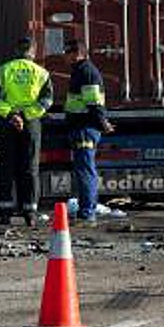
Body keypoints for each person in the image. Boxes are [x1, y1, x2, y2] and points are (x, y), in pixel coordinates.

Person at [0, 37, 53, 226]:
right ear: (33, 52)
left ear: (16, 50)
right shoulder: (41, 73)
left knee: (6, 166)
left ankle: (5, 213)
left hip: (8, 122)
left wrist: (12, 116)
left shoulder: (2, 70)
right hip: (31, 123)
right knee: (30, 167)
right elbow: (46, 101)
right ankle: (30, 212)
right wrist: (25, 116)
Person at [63, 38, 114, 223]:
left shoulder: (86, 72)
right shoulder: (80, 71)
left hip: (84, 127)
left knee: (85, 170)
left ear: (76, 54)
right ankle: (86, 209)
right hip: (81, 126)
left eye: (67, 53)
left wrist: (102, 123)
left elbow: (93, 102)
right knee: (83, 169)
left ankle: (87, 212)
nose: (64, 57)